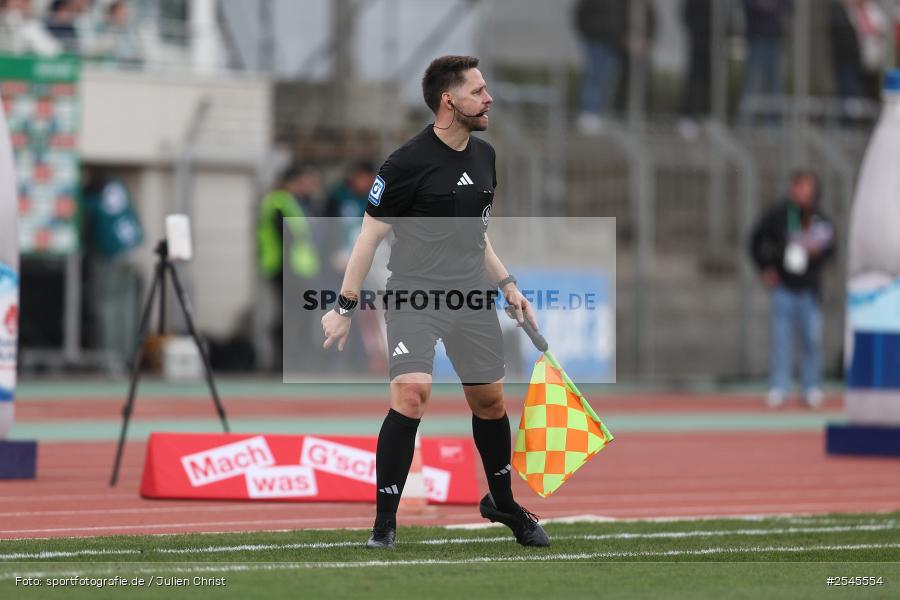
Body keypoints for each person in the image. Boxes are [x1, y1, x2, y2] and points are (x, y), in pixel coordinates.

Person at [320, 55, 549, 549]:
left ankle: (502, 504)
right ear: (449, 101)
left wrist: (508, 283)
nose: (488, 99)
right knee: (412, 394)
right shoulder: (404, 164)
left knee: (489, 402)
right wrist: (343, 307)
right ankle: (385, 521)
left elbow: (477, 237)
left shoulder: (486, 156)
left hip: (470, 298)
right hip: (413, 297)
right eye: (478, 91)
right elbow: (367, 239)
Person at [750, 171, 836, 409]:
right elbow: (755, 240)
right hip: (783, 287)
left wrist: (818, 255)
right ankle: (780, 387)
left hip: (809, 288)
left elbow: (830, 249)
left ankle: (811, 388)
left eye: (808, 188)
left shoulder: (819, 218)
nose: (803, 193)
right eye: (800, 187)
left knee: (811, 339)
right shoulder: (779, 215)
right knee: (781, 339)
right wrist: (766, 267)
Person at [257, 163, 321, 372]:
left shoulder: (296, 202)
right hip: (284, 267)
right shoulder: (278, 202)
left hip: (298, 268)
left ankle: (294, 359)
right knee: (288, 315)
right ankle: (282, 360)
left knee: (297, 314)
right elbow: (286, 237)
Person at [740, 0, 791, 123]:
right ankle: (747, 121)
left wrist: (774, 5)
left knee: (775, 84)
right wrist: (760, 4)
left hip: (775, 37)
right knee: (752, 82)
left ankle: (773, 122)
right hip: (756, 37)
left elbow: (789, 5)